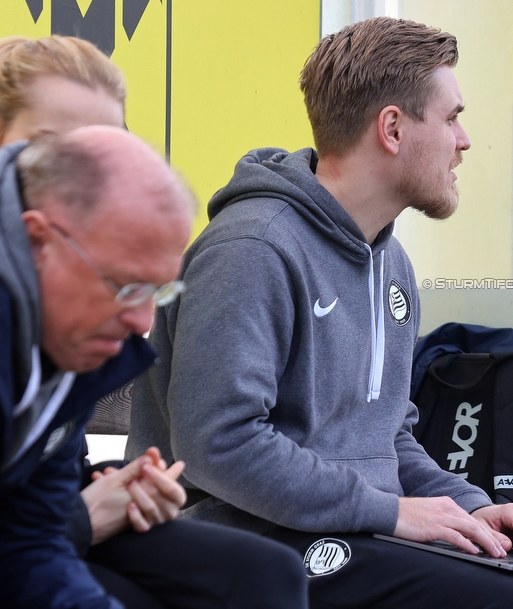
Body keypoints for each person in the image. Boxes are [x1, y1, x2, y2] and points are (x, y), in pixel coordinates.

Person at [127, 16, 513, 609]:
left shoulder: (391, 266)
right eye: (452, 117)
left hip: (354, 529)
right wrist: (389, 512)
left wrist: (471, 507)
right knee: (505, 606)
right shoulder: (253, 249)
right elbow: (218, 446)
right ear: (392, 127)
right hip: (236, 538)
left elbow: (385, 436)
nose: (464, 141)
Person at [0, 35, 308, 608]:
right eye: (54, 150)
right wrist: (84, 517)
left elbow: (38, 488)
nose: (83, 175)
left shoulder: (63, 309)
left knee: (262, 575)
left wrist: (106, 485)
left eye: (103, 150)